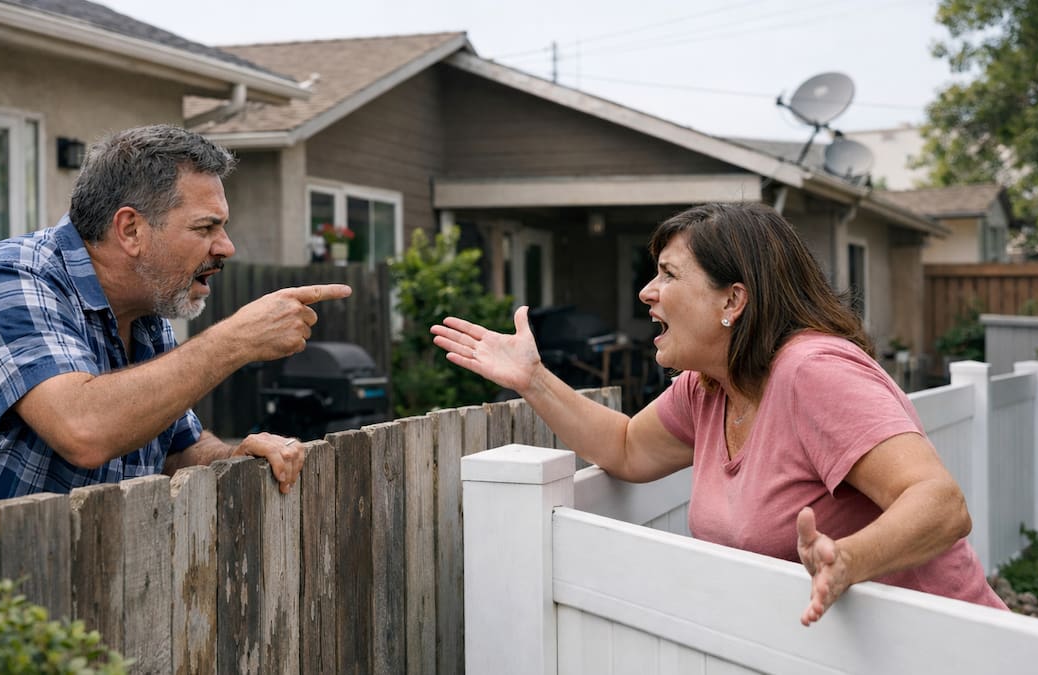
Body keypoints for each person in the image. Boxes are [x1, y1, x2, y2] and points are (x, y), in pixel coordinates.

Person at [431, 201, 1007, 625]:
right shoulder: (709, 387)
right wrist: (533, 380)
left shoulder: (814, 371)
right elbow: (627, 448)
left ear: (733, 300)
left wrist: (847, 560)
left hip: (945, 646)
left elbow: (940, 505)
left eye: (668, 275)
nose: (646, 293)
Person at [0, 124, 351, 520]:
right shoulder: (9, 281)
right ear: (130, 229)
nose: (226, 247)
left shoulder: (145, 314)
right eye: (206, 227)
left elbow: (178, 449)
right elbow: (83, 428)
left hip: (20, 597)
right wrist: (233, 341)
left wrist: (235, 454)